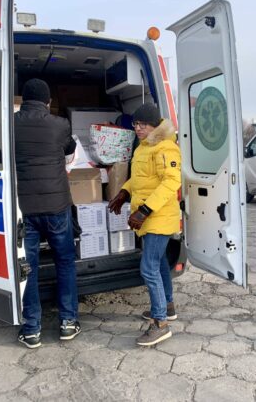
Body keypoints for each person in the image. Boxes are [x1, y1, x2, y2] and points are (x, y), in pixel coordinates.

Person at [108, 103, 181, 346]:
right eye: (135, 124)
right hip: (147, 217)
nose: (138, 128)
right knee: (159, 262)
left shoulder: (165, 147)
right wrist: (124, 193)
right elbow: (140, 179)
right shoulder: (144, 146)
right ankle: (167, 306)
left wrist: (145, 210)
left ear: (155, 125)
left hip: (158, 217)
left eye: (143, 124)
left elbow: (171, 183)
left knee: (148, 268)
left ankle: (160, 323)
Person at [14, 78, 80, 348]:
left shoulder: (9, 126)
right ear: (48, 102)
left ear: (22, 100)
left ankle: (31, 328)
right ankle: (67, 322)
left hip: (25, 210)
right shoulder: (60, 124)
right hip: (56, 208)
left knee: (27, 268)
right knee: (64, 261)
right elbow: (70, 149)